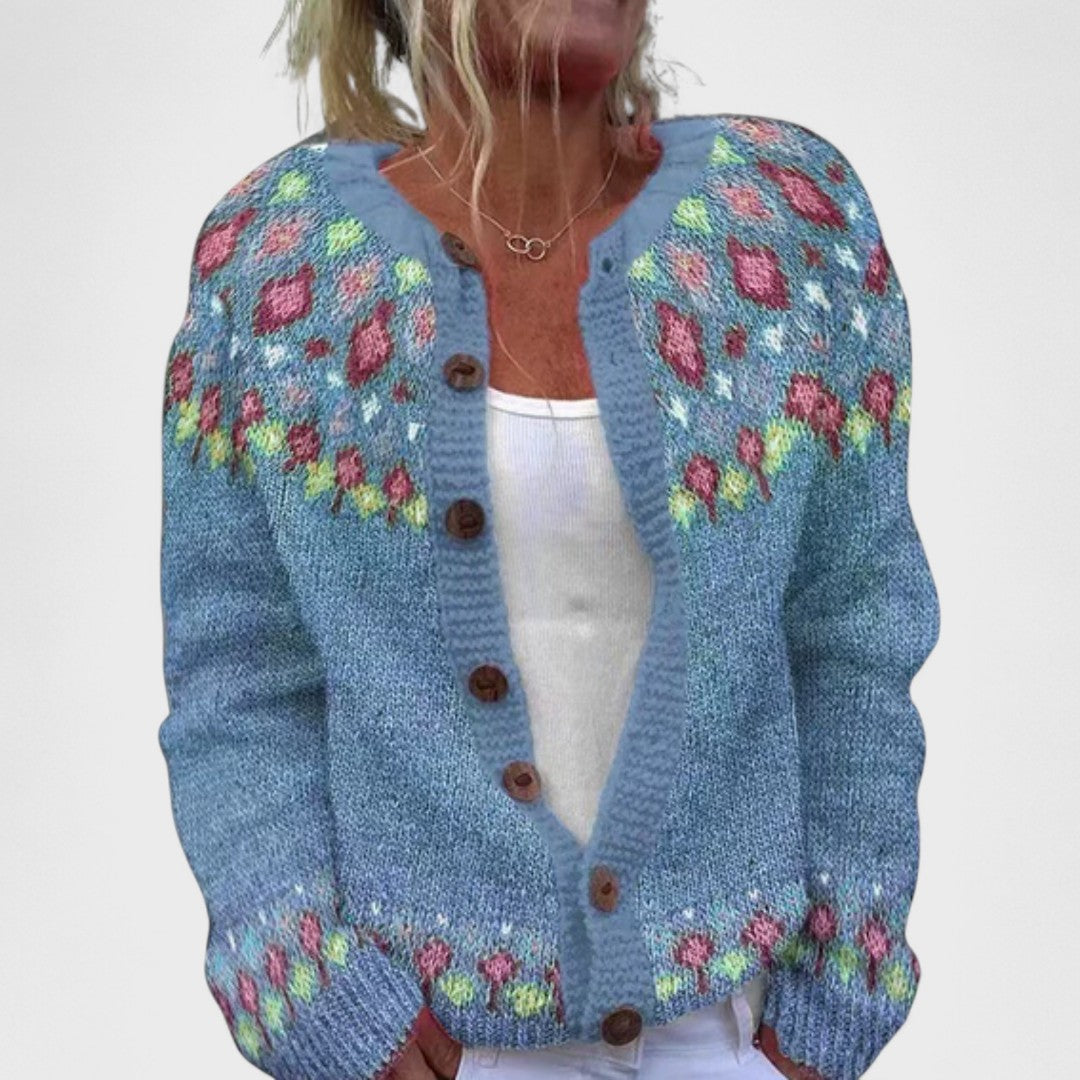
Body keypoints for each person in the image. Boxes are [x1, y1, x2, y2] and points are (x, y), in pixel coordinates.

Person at [157, 1, 940, 1078]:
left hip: (727, 1035)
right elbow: (238, 674)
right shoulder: (277, 264)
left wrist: (834, 998)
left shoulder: (786, 227)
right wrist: (312, 994)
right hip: (435, 1042)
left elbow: (855, 626)